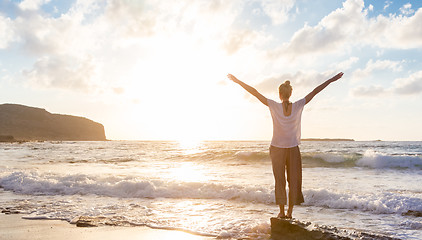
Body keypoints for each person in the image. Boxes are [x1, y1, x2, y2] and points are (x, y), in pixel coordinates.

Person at [227, 72, 344, 219]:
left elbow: (255, 92)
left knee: (280, 180)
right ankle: (289, 212)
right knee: (293, 180)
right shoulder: (298, 104)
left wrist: (238, 81)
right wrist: (332, 80)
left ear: (280, 94)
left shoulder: (273, 105)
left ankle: (282, 212)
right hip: (292, 148)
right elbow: (315, 91)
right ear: (290, 93)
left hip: (276, 148)